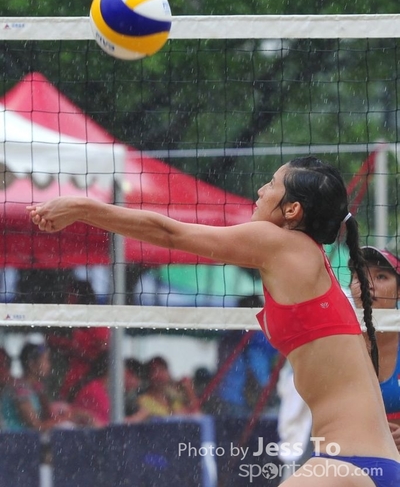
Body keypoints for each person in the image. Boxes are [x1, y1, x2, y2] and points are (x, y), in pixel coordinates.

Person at [27, 155, 400, 485]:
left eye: (271, 184)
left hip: (347, 463)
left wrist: (82, 207)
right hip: (370, 463)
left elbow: (169, 233)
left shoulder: (279, 243)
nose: (260, 190)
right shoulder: (306, 257)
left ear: (292, 210)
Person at [349, 246, 400, 453]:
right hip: (352, 454)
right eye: (359, 275)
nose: (368, 285)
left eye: (380, 276)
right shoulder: (336, 342)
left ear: (399, 290)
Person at [216, 295, 278, 417]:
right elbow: (266, 372)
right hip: (246, 402)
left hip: (226, 398)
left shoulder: (227, 337)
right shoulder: (260, 338)